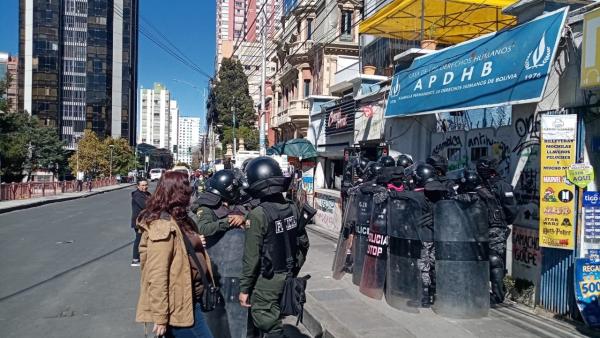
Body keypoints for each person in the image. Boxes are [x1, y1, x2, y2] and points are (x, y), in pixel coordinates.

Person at [135, 171, 214, 338]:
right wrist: (161, 318)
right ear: (177, 193)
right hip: (176, 306)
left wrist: (196, 242)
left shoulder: (182, 219)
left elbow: (183, 246)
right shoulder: (161, 226)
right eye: (187, 188)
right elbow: (157, 275)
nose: (191, 191)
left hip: (191, 299)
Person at [239, 157, 310, 338]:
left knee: (267, 321)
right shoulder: (292, 207)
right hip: (287, 274)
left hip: (268, 279)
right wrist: (293, 268)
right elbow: (303, 242)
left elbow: (252, 258)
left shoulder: (257, 215)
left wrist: (244, 289)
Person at [192, 170, 251, 338]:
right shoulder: (206, 206)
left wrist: (243, 217)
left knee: (238, 320)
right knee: (216, 319)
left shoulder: (233, 201)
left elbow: (250, 211)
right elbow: (204, 228)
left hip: (236, 266)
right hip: (215, 267)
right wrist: (227, 222)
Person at [476, 157, 517, 304]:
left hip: (493, 227)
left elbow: (511, 210)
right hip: (483, 227)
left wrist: (504, 222)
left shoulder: (501, 186)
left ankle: (498, 294)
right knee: (488, 259)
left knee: (494, 260)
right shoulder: (481, 185)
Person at [130, 179, 150, 266]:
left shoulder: (147, 194)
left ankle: (145, 257)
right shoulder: (137, 195)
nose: (144, 187)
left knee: (146, 239)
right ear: (138, 186)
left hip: (146, 221)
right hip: (139, 221)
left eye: (145, 185)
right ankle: (135, 259)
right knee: (139, 239)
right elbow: (146, 206)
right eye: (142, 185)